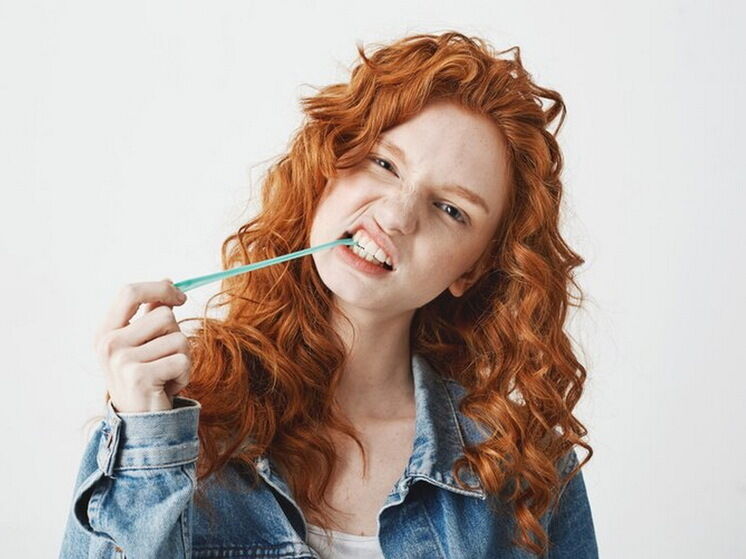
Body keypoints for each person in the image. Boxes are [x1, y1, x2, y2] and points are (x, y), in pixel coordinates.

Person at [59, 31, 598, 558]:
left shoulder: (528, 466)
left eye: (451, 209)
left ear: (472, 270)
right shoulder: (171, 420)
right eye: (383, 164)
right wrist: (147, 442)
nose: (395, 215)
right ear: (329, 166)